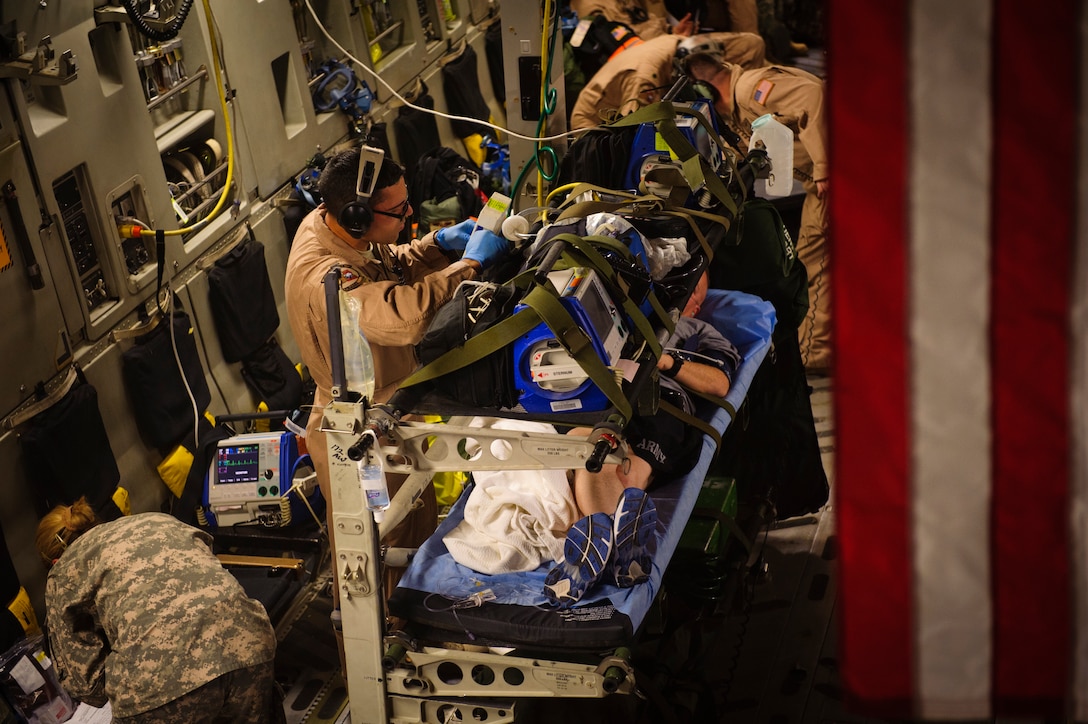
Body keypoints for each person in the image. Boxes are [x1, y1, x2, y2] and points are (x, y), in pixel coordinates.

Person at [283, 144, 510, 661]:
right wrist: (470, 265)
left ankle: (417, 636)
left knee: (413, 533)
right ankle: (372, 673)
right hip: (355, 431)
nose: (409, 215)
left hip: (390, 413)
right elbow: (400, 316)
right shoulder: (326, 273)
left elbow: (388, 265)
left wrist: (437, 246)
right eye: (400, 210)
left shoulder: (337, 230)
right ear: (357, 215)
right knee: (370, 562)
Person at [544, 271, 741, 604]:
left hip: (662, 404)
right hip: (601, 396)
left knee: (624, 461)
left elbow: (719, 383)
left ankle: (593, 545)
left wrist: (665, 361)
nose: (688, 295)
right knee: (588, 448)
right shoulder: (616, 313)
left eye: (697, 293)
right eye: (685, 287)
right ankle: (618, 552)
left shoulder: (698, 331)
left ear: (697, 306)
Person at [35, 498, 283, 723]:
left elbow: (87, 686)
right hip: (250, 642)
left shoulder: (62, 573)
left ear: (55, 561)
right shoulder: (156, 519)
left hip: (160, 683)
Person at [685, 49, 830, 370]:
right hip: (826, 178)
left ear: (707, 91)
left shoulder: (754, 88)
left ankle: (813, 353)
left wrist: (824, 167)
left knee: (814, 256)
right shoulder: (742, 103)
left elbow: (814, 95)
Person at [568, 30, 767, 130]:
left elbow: (749, 46)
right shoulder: (645, 79)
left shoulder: (685, 47)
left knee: (750, 43)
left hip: (659, 74)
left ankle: (742, 111)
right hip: (593, 120)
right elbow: (634, 130)